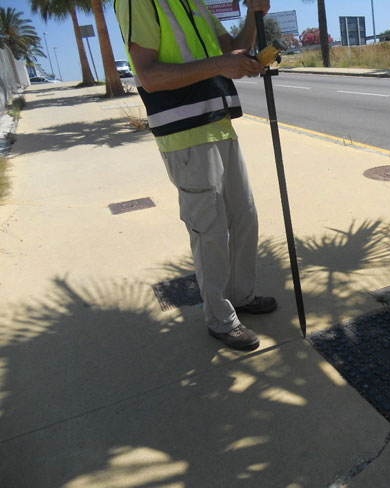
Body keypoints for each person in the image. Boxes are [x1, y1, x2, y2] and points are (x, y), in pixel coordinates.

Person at [115, 0, 277, 351]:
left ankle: (240, 295)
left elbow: (232, 50)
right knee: (210, 230)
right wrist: (222, 64)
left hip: (218, 125)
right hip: (184, 133)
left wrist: (254, 13)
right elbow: (150, 76)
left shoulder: (195, 3)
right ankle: (220, 319)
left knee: (244, 217)